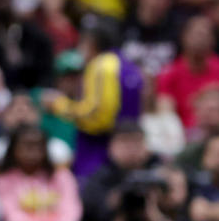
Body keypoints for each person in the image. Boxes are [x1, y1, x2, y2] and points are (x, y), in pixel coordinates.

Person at [42, 16, 144, 177]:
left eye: (81, 44)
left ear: (91, 43)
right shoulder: (127, 65)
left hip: (100, 150)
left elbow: (97, 116)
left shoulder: (101, 66)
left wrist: (59, 105)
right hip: (128, 145)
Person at [155, 16, 219, 129]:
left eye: (205, 35)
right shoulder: (169, 72)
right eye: (196, 34)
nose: (200, 39)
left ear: (213, 40)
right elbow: (165, 111)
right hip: (186, 136)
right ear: (183, 37)